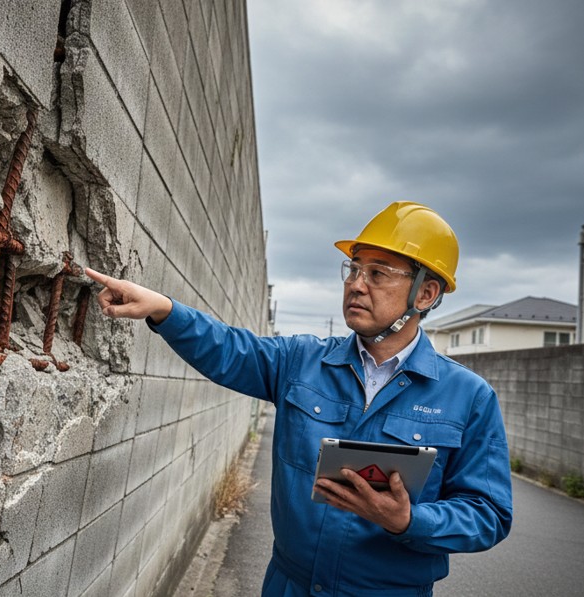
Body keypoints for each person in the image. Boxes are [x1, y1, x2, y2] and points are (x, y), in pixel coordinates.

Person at [85, 202, 513, 597]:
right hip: (290, 585)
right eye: (352, 269)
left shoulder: (469, 397)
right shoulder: (302, 361)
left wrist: (408, 521)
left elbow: (489, 513)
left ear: (425, 294)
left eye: (377, 273)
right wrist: (163, 309)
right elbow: (230, 349)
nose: (355, 285)